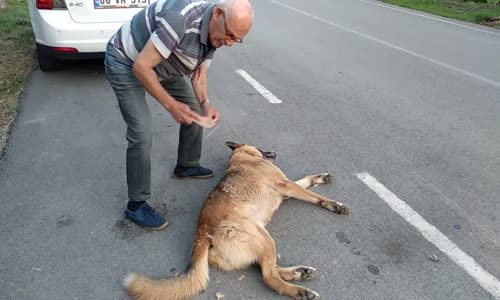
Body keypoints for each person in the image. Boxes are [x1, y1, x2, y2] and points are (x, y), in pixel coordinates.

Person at [104, 0, 253, 230]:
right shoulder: (181, 18)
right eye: (230, 35)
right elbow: (142, 67)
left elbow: (199, 75)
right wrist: (171, 104)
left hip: (162, 64)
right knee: (141, 132)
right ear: (218, 14)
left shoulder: (215, 33)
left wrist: (205, 103)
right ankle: (136, 204)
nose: (230, 43)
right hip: (126, 61)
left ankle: (187, 165)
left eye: (237, 39)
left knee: (193, 107)